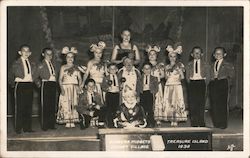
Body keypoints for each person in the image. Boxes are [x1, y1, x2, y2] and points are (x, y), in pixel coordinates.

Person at [8, 44, 38, 134]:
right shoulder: (16, 63)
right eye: (24, 51)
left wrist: (37, 83)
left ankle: (27, 128)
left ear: (30, 53)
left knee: (28, 107)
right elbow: (10, 75)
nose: (26, 52)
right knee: (19, 107)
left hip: (29, 85)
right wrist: (13, 85)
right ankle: (18, 128)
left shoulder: (32, 63)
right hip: (20, 85)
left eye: (27, 51)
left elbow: (35, 75)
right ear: (20, 52)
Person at [209, 47, 235, 129]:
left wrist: (227, 81)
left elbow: (231, 75)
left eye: (220, 53)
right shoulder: (212, 64)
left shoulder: (228, 64)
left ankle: (223, 123)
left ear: (224, 54)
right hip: (214, 83)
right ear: (213, 55)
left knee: (222, 104)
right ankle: (216, 123)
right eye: (216, 53)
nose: (218, 55)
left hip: (223, 83)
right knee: (214, 103)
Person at [56, 46, 82, 128]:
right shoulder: (63, 67)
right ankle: (67, 120)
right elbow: (60, 79)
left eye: (72, 57)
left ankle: (73, 119)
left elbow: (80, 79)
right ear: (65, 58)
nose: (70, 59)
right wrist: (61, 88)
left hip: (74, 87)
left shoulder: (76, 68)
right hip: (65, 87)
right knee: (66, 104)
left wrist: (79, 87)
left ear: (74, 58)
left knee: (74, 103)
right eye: (68, 57)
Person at [163, 44, 187, 127]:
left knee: (176, 101)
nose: (172, 58)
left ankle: (176, 118)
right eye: (171, 56)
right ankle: (171, 118)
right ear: (168, 57)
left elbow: (183, 77)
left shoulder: (180, 65)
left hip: (176, 85)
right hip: (169, 85)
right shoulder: (166, 67)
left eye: (174, 56)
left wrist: (179, 71)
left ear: (176, 57)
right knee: (169, 102)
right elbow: (166, 78)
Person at [186, 46, 210, 127]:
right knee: (192, 103)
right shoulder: (189, 64)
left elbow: (208, 75)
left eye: (198, 52)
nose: (197, 54)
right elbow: (187, 76)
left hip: (201, 83)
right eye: (195, 52)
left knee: (201, 102)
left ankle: (201, 121)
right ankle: (194, 122)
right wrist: (189, 81)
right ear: (192, 54)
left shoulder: (205, 64)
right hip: (192, 83)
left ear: (202, 54)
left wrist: (205, 82)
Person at [37, 48, 58, 131]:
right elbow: (35, 76)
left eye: (51, 54)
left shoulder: (53, 64)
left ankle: (51, 124)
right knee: (45, 105)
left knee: (52, 105)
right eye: (47, 54)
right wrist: (39, 85)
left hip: (53, 84)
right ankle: (44, 125)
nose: (49, 56)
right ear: (43, 54)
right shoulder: (40, 64)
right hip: (45, 84)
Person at [145, 45, 165, 126]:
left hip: (157, 86)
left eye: (154, 54)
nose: (152, 56)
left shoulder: (160, 65)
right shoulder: (146, 65)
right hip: (148, 87)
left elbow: (163, 75)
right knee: (149, 102)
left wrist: (157, 78)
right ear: (148, 56)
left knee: (158, 101)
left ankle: (158, 118)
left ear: (157, 56)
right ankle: (149, 117)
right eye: (150, 54)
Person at [101, 63, 120, 128]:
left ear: (117, 70)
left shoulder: (119, 77)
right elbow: (103, 87)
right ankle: (110, 123)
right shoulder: (106, 78)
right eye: (111, 69)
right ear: (108, 70)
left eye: (114, 69)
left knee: (116, 108)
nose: (112, 70)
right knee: (109, 109)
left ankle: (116, 122)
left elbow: (121, 85)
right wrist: (107, 88)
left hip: (117, 94)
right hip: (109, 94)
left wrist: (120, 87)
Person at [140, 63, 158, 127]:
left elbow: (156, 88)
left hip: (150, 93)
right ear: (142, 70)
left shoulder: (154, 78)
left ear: (151, 69)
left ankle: (152, 122)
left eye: (148, 69)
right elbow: (138, 87)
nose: (147, 70)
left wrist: (154, 93)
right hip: (143, 94)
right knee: (143, 108)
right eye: (145, 69)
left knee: (150, 108)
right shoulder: (140, 78)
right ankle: (144, 122)